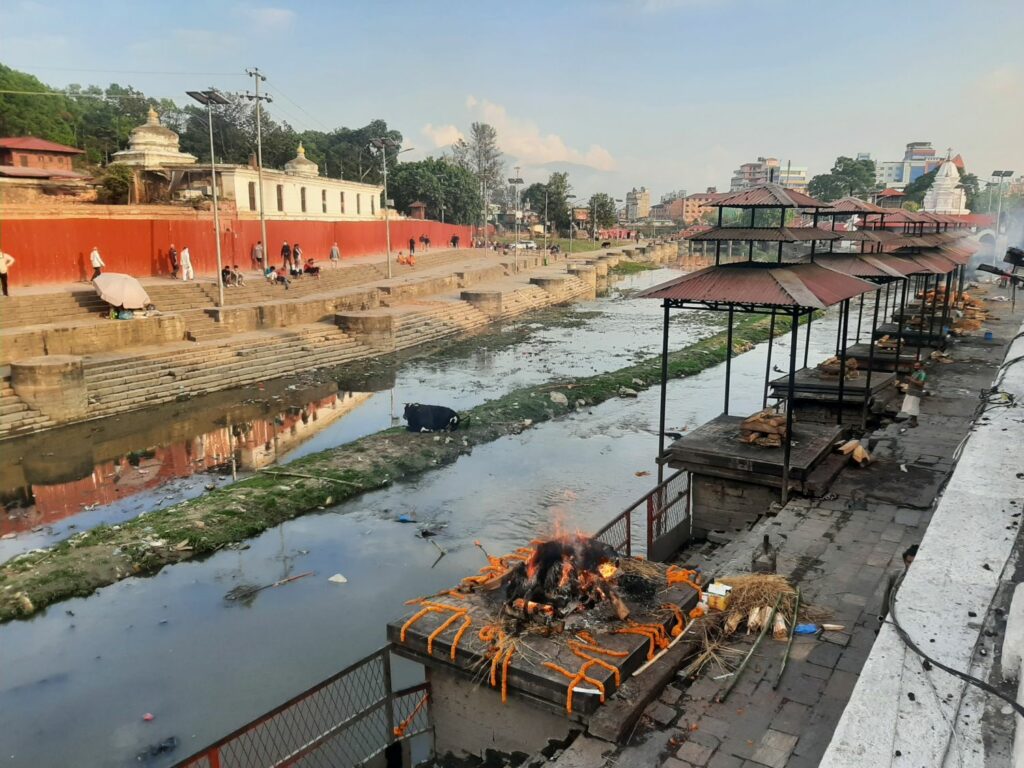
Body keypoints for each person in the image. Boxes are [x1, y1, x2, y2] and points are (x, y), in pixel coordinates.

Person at [900, 360, 927, 428]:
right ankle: (911, 420)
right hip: (910, 391)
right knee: (909, 406)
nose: (915, 367)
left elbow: (921, 383)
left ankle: (914, 422)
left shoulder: (922, 374)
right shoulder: (915, 373)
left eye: (917, 366)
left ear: (921, 367)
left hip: (916, 392)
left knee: (913, 407)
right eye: (915, 366)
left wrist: (911, 379)